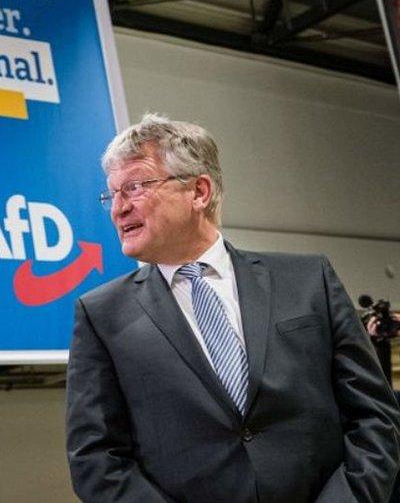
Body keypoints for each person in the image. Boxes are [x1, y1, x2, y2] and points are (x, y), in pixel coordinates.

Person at [66, 114, 400, 502]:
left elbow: (376, 416)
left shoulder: (309, 280)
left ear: (199, 192)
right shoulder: (101, 315)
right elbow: (96, 459)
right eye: (113, 194)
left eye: (135, 187)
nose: (118, 209)